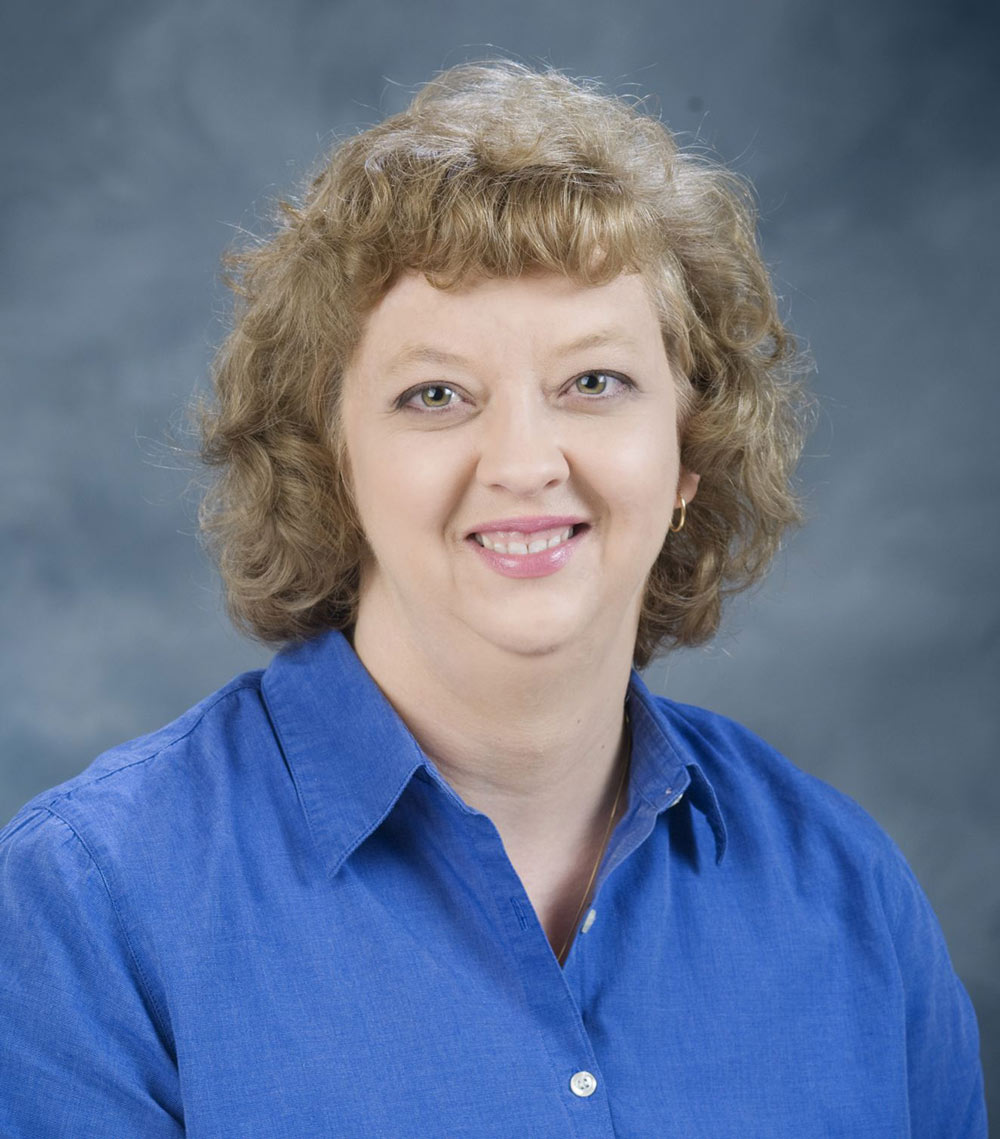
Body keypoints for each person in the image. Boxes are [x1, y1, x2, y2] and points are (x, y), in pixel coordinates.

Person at [0, 60, 986, 1137]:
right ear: (330, 461)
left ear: (687, 452)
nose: (523, 461)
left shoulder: (848, 891)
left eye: (593, 382)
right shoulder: (92, 902)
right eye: (435, 395)